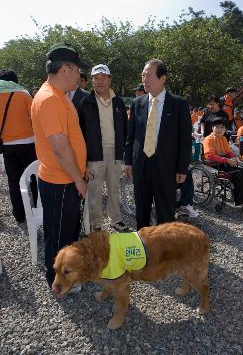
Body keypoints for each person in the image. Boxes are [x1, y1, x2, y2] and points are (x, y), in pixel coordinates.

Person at [31, 43, 88, 288]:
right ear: (66, 68)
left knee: (64, 230)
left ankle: (65, 274)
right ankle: (57, 281)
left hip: (62, 178)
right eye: (77, 70)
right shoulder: (50, 99)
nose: (79, 76)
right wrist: (78, 179)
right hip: (61, 180)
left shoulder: (56, 95)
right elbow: (60, 147)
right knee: (60, 234)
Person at [124, 59, 192, 229]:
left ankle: (165, 250)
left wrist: (182, 168)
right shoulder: (137, 103)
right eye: (143, 75)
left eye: (149, 76)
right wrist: (128, 162)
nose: (144, 80)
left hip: (166, 167)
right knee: (141, 211)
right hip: (141, 165)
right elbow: (131, 136)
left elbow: (184, 140)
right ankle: (144, 247)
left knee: (166, 212)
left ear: (163, 78)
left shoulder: (179, 104)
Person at [78, 64, 128, 231]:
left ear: (109, 79)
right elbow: (80, 133)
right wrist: (83, 161)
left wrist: (125, 153)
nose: (99, 81)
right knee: (94, 190)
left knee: (114, 188)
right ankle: (95, 224)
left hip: (115, 152)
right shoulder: (85, 102)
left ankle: (116, 220)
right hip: (94, 153)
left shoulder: (119, 102)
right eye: (95, 78)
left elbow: (125, 128)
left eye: (103, 77)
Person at [0, 70, 37, 224]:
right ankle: (36, 207)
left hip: (7, 145)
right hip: (28, 143)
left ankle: (19, 215)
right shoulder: (24, 95)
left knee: (14, 181)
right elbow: (35, 117)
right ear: (15, 80)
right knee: (34, 178)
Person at [203, 117, 243, 207]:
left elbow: (229, 151)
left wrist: (233, 158)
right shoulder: (208, 139)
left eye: (222, 127)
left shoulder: (223, 139)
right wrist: (227, 160)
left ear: (225, 130)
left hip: (224, 163)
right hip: (214, 165)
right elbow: (209, 156)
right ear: (212, 128)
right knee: (236, 174)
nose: (219, 129)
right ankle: (240, 201)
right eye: (217, 127)